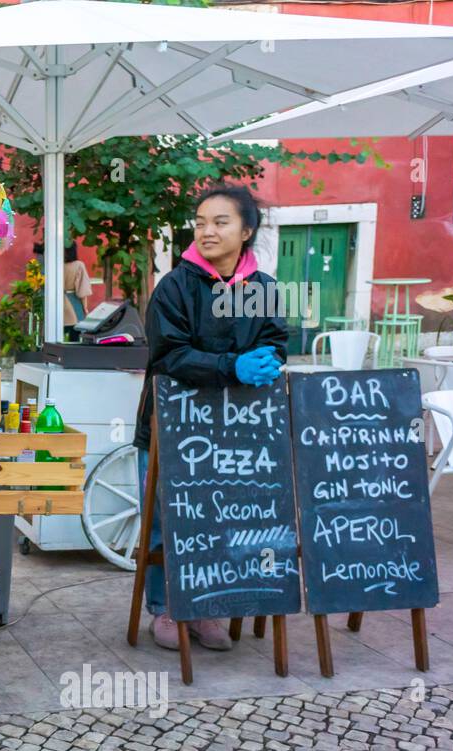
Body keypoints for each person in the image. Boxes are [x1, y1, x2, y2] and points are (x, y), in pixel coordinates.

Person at [133, 183, 287, 652]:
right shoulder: (175, 287)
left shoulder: (262, 289)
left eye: (220, 222)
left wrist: (267, 358)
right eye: (200, 223)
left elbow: (275, 340)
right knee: (166, 519)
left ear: (247, 230)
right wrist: (230, 367)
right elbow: (170, 355)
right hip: (170, 428)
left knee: (221, 518)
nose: (207, 231)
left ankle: (207, 610)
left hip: (236, 431)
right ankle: (164, 608)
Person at [62, 241, 92, 329]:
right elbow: (83, 290)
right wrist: (85, 308)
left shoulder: (56, 265)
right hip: (74, 302)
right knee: (75, 335)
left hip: (57, 302)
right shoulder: (79, 265)